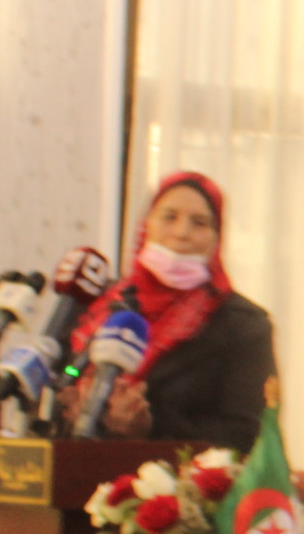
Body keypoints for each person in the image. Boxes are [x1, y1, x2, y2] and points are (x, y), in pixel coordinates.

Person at [66, 171, 278, 450]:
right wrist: (68, 408)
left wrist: (152, 427)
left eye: (199, 223)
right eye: (169, 217)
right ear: (146, 226)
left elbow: (247, 435)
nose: (181, 233)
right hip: (74, 468)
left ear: (217, 238)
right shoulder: (98, 307)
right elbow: (63, 378)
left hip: (175, 476)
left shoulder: (243, 326)